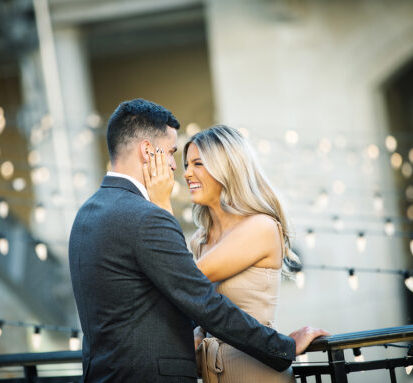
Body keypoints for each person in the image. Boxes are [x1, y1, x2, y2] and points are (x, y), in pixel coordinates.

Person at [69, 99, 327, 382]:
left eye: (196, 163)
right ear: (147, 151)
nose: (176, 168)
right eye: (171, 153)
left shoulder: (86, 214)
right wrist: (283, 347)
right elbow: (193, 291)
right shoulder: (148, 218)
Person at [174, 125, 307, 382]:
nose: (187, 173)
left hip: (255, 372)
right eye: (187, 164)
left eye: (198, 163)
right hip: (213, 374)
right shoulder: (199, 240)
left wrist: (158, 204)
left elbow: (186, 282)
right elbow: (198, 305)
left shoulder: (261, 227)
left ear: (227, 168)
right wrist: (198, 334)